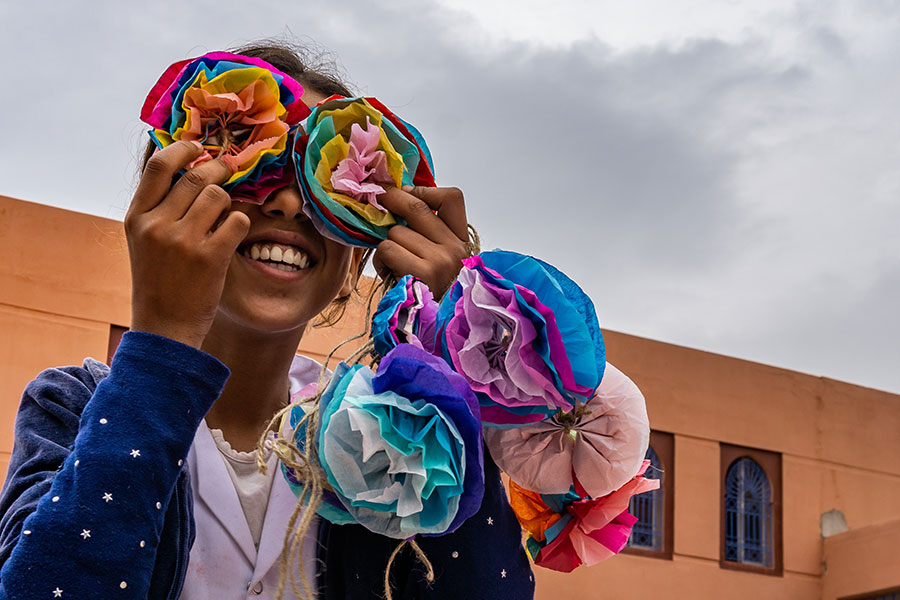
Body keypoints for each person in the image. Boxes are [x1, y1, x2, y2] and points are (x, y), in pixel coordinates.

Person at [0, 44, 535, 599]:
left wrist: (443, 357)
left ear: (359, 255)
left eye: (333, 184)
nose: (288, 203)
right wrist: (161, 343)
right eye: (254, 158)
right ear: (170, 202)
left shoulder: (391, 437)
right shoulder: (71, 408)